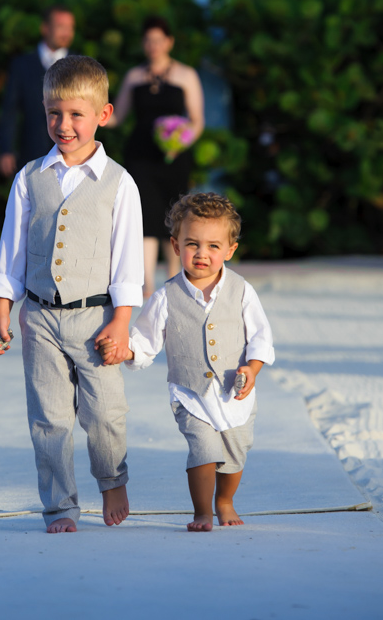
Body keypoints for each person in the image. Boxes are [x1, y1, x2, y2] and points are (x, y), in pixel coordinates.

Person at [0, 55, 144, 534]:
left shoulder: (119, 183)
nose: (64, 124)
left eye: (76, 114)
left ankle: (112, 479)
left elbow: (127, 261)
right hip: (39, 317)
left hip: (95, 319)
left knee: (104, 413)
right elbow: (12, 250)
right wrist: (3, 311)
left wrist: (121, 321)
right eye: (54, 113)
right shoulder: (30, 177)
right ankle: (60, 507)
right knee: (49, 419)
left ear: (104, 114)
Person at [100, 191, 274, 532]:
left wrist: (252, 369)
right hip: (190, 394)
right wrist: (126, 350)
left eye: (213, 246)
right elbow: (146, 341)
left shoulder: (241, 290)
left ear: (230, 249)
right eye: (192, 244)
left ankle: (225, 500)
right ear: (176, 246)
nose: (202, 254)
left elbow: (261, 337)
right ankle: (202, 512)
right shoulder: (165, 296)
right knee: (203, 450)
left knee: (236, 454)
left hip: (234, 392)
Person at [107, 15, 204, 297]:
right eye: (148, 41)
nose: (153, 46)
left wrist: (180, 140)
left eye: (159, 40)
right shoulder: (134, 76)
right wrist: (90, 115)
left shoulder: (186, 75)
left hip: (174, 158)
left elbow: (197, 120)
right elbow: (119, 115)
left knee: (173, 217)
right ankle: (146, 285)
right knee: (145, 218)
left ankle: (173, 281)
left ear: (169, 42)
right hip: (140, 156)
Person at [0, 6, 75, 177]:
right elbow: (10, 110)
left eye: (70, 27)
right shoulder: (21, 65)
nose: (67, 33)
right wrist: (6, 149)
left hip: (72, 158)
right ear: (45, 28)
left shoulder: (80, 66)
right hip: (31, 155)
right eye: (61, 26)